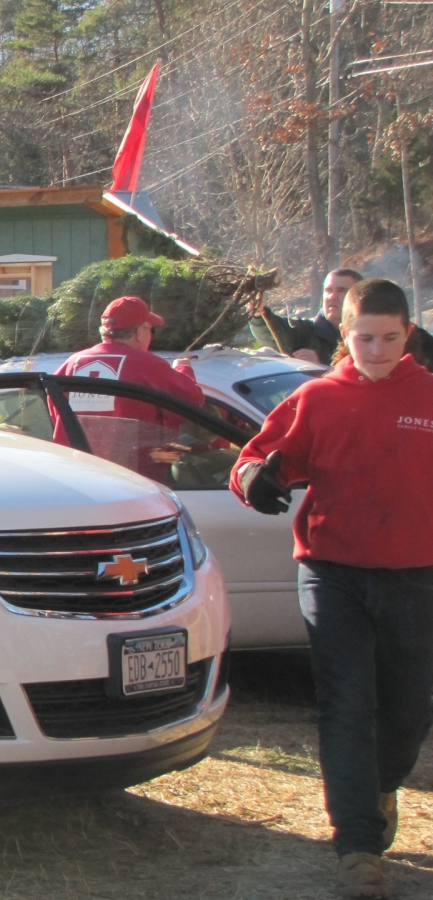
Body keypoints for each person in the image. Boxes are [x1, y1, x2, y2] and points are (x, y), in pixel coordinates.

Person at [232, 278, 433, 899]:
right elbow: (253, 460)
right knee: (346, 703)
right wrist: (255, 480)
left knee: (408, 710)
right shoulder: (317, 398)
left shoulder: (428, 395)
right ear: (344, 334)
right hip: (331, 571)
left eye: (390, 339)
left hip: (416, 575)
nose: (377, 351)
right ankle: (357, 846)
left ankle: (380, 786)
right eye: (365, 338)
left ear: (409, 334)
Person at [53, 296, 203, 480]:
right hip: (133, 479)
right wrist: (183, 369)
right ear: (139, 333)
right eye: (150, 329)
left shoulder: (72, 363)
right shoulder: (147, 364)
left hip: (75, 476)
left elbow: (54, 411)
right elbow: (192, 402)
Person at [250, 268, 360, 365]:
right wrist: (259, 313)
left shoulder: (367, 335)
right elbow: (276, 334)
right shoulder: (305, 332)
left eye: (341, 291)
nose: (332, 296)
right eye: (328, 290)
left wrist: (322, 365)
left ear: (359, 297)